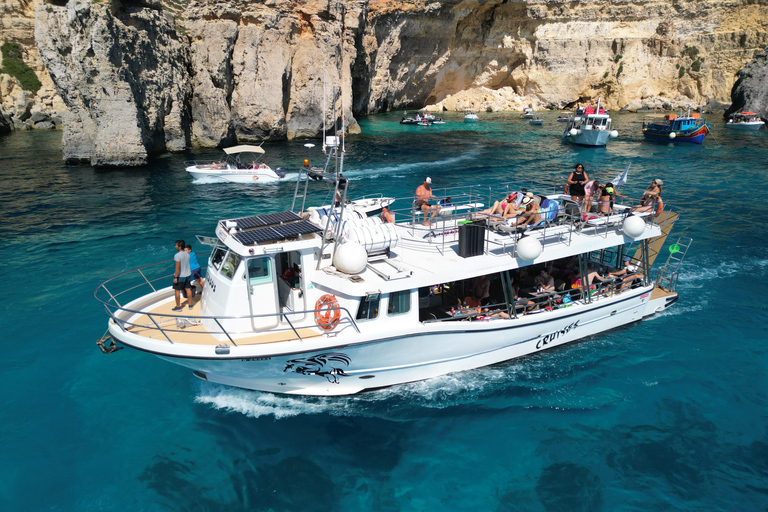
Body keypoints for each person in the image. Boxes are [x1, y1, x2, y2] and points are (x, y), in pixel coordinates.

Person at [172, 239, 193, 311]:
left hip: (180, 276)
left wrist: (175, 277)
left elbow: (177, 267)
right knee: (188, 289)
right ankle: (190, 305)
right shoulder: (187, 254)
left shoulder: (177, 255)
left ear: (179, 247)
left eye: (176, 245)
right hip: (188, 274)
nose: (175, 246)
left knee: (177, 290)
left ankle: (178, 307)